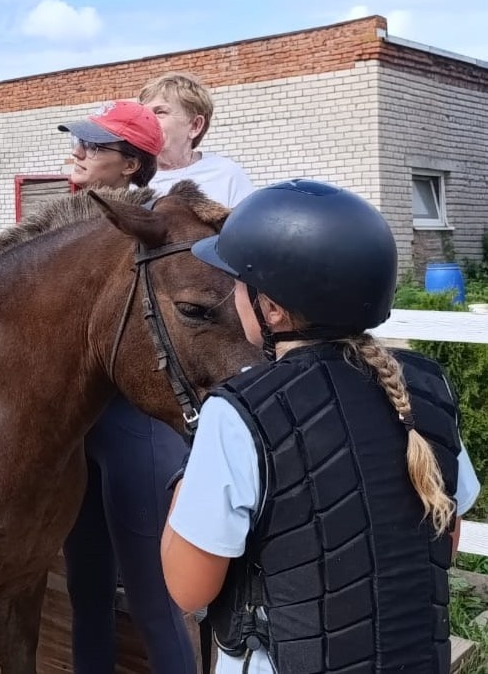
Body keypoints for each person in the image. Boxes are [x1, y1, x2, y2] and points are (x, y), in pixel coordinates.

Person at [161, 179, 481, 673]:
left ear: (271, 308)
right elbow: (445, 539)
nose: (232, 295)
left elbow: (189, 589)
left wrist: (188, 482)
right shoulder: (427, 384)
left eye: (238, 283)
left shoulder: (240, 412)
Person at [56, 100, 198, 673]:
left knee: (153, 604)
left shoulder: (152, 228)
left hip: (133, 429)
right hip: (80, 433)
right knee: (86, 596)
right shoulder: (72, 226)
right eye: (80, 141)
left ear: (132, 164)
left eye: (95, 146)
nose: (79, 152)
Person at [138, 72, 253, 207]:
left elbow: (250, 220)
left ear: (195, 126)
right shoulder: (127, 176)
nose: (145, 120)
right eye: (143, 113)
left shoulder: (225, 173)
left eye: (160, 112)